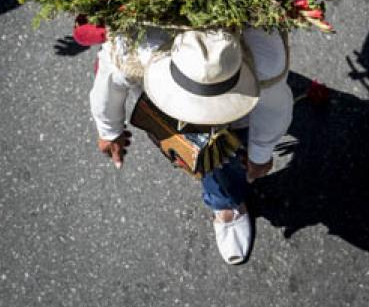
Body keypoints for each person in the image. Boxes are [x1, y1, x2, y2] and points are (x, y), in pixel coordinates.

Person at [90, 26, 293, 264]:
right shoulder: (138, 45)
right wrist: (109, 129)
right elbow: (110, 73)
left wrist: (259, 153)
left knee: (222, 155)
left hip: (242, 89)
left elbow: (274, 108)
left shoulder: (266, 58)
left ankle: (225, 201)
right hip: (170, 88)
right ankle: (224, 197)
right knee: (203, 152)